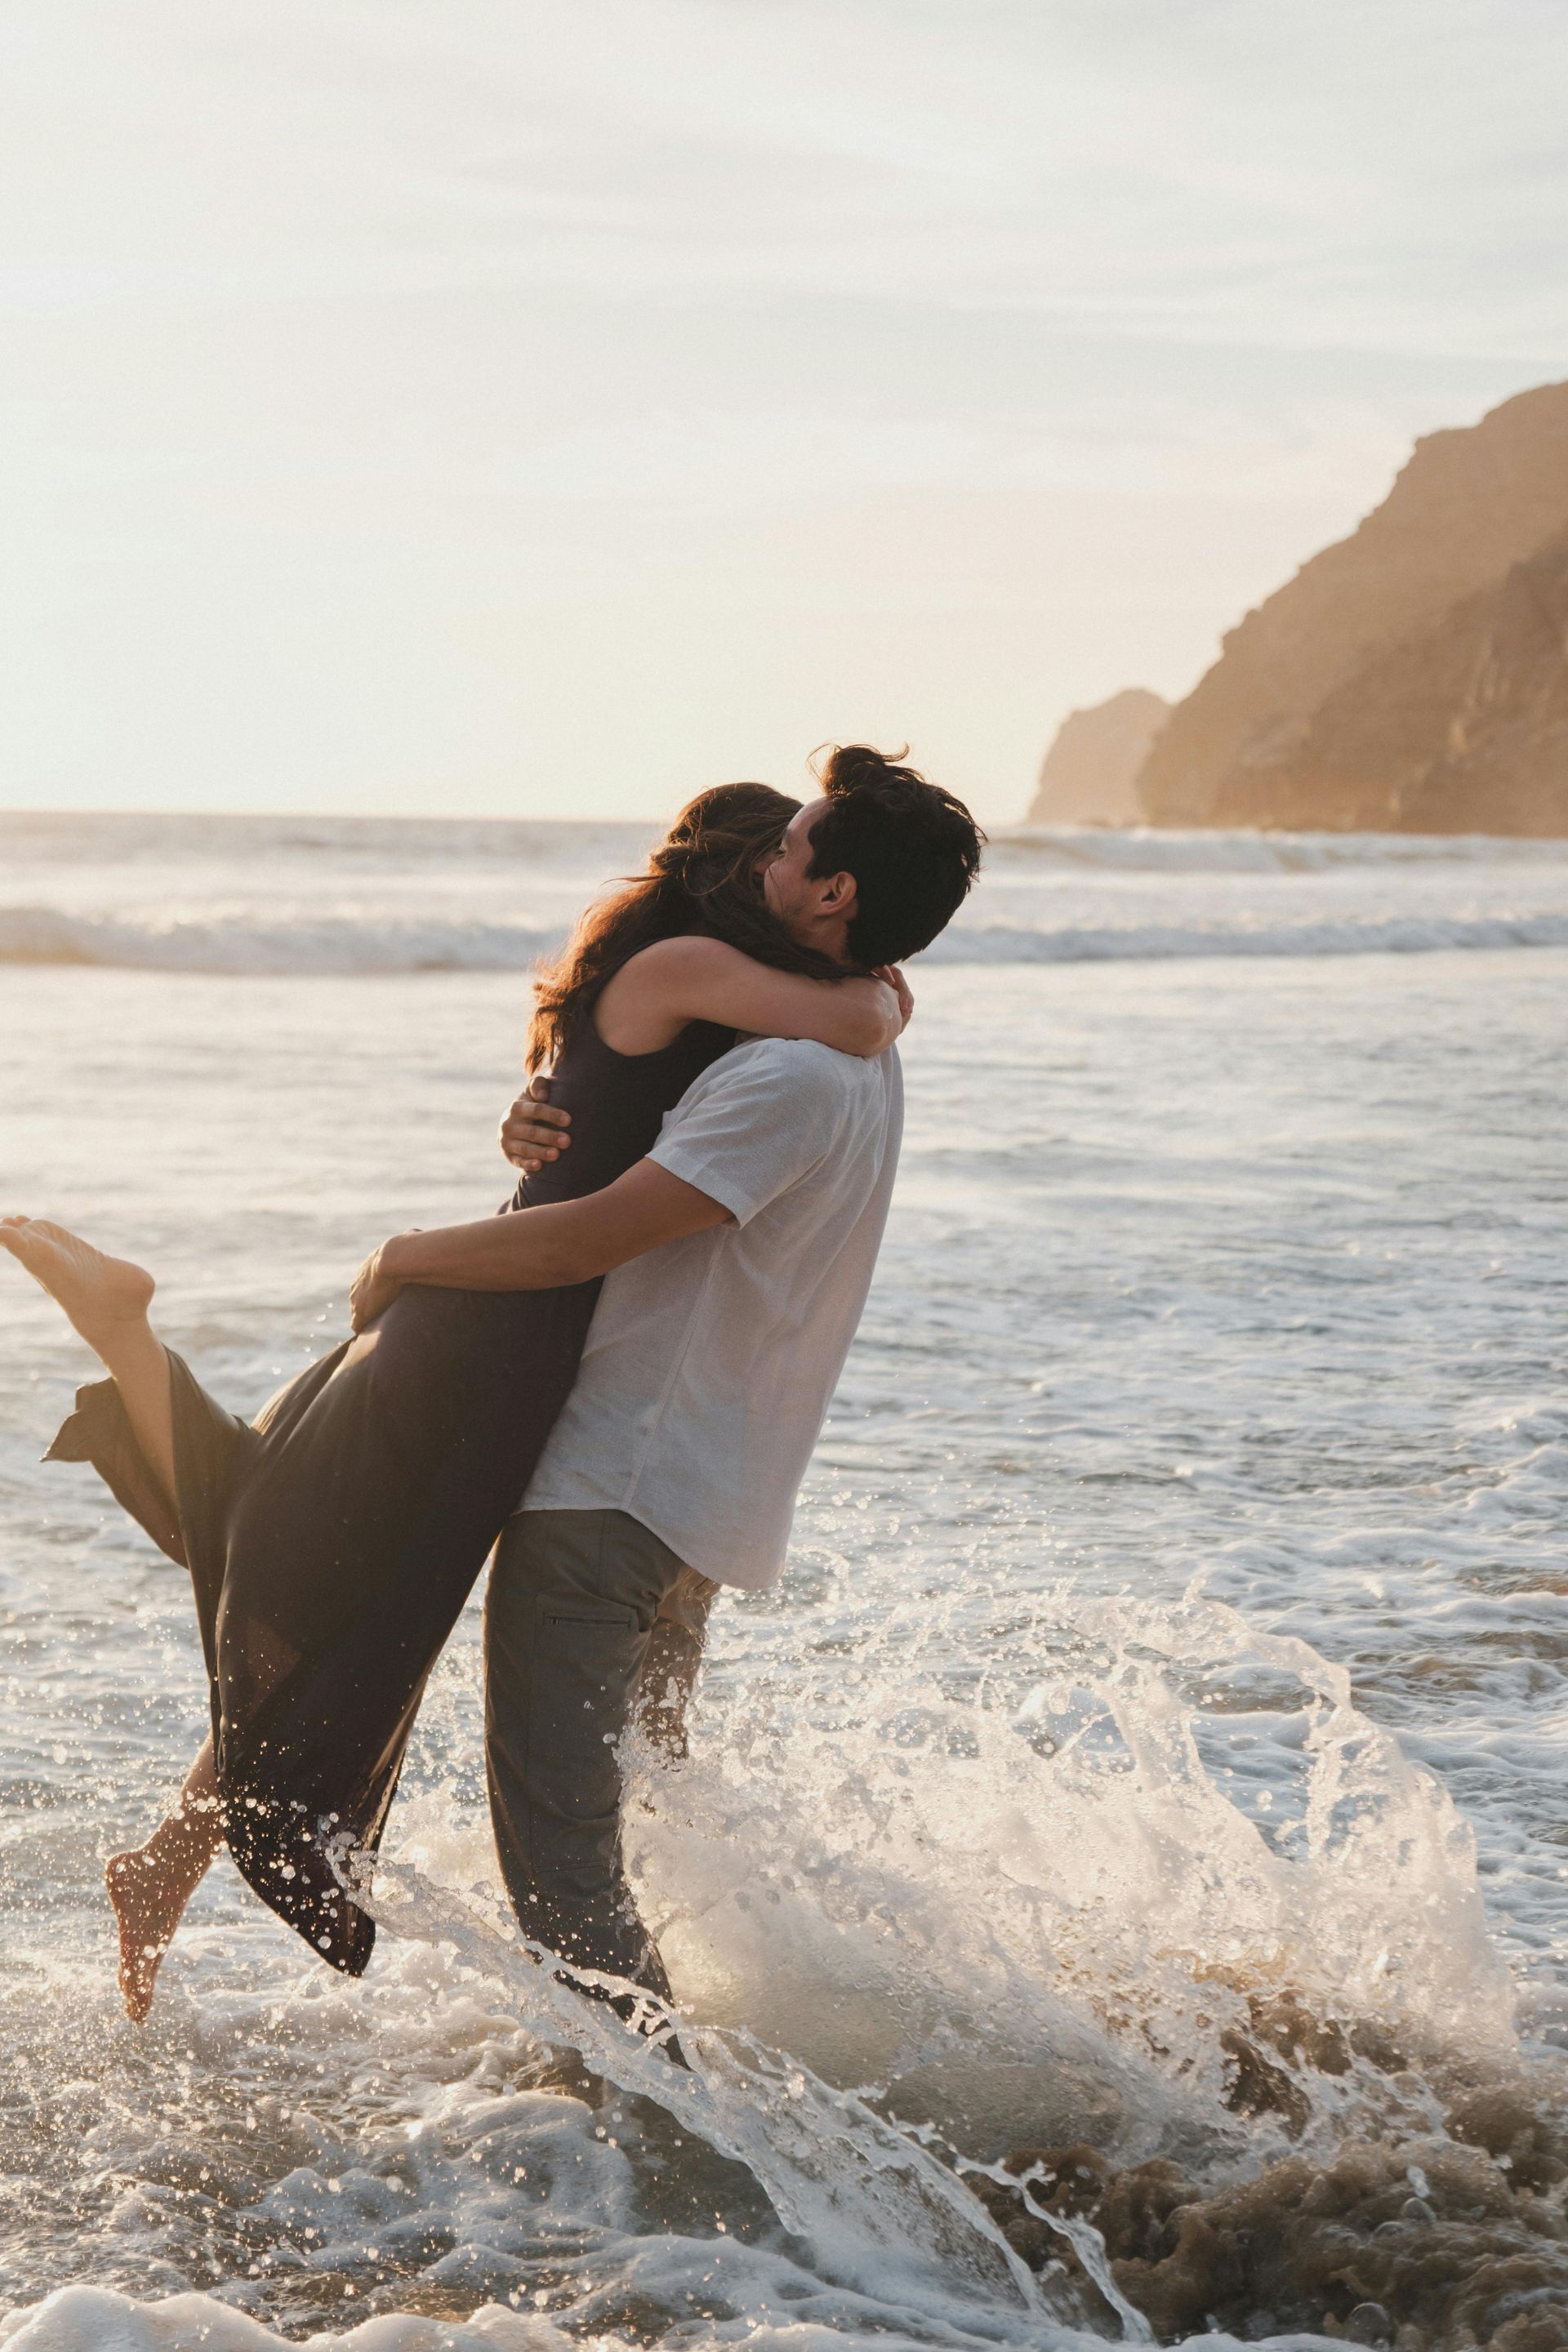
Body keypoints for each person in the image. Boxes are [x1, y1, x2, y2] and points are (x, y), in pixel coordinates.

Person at [2, 776, 911, 2021]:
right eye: (777, 853)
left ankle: (166, 1856)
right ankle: (125, 1334)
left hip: (514, 1329)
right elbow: (863, 1016)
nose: (779, 877)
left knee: (350, 1571)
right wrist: (882, 983)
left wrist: (538, 1122)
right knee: (311, 1550)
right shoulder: (704, 973)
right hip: (496, 1324)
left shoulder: (719, 1010)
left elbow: (655, 1100)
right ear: (741, 875)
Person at [349, 746, 985, 2005]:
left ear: (834, 894)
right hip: (691, 1503)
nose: (772, 857)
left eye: (793, 844)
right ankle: (701, 2111)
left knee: (566, 1882)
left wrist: (402, 1257)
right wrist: (545, 1114)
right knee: (628, 1843)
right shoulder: (847, 1052)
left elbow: (590, 1238)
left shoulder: (790, 1074)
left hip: (611, 1501)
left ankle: (672, 2154)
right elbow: (617, 1152)